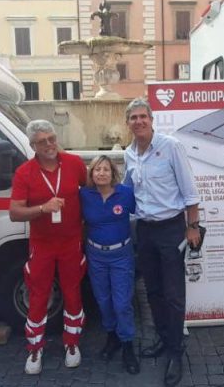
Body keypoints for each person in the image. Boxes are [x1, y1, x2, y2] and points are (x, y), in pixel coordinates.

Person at [123, 98, 200, 387]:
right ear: (128, 123)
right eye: (133, 117)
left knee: (173, 294)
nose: (139, 121)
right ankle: (164, 338)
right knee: (152, 290)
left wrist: (192, 226)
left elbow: (190, 191)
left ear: (151, 119)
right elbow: (127, 193)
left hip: (171, 229)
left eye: (143, 116)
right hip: (145, 230)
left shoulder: (170, 146)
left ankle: (176, 352)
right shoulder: (129, 154)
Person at [9, 120, 88, 375]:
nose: (50, 144)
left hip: (71, 241)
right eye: (42, 141)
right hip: (41, 244)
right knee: (38, 295)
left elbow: (89, 191)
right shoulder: (24, 172)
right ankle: (35, 347)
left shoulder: (74, 163)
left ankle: (72, 343)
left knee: (73, 292)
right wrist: (43, 208)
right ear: (33, 145)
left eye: (52, 138)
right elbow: (14, 212)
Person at [80, 155, 140, 374]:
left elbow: (143, 211)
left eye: (106, 169)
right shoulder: (84, 194)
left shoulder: (125, 193)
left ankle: (127, 345)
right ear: (91, 173)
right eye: (97, 169)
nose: (101, 173)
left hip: (121, 255)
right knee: (103, 300)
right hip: (96, 256)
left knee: (122, 303)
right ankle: (112, 337)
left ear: (113, 173)